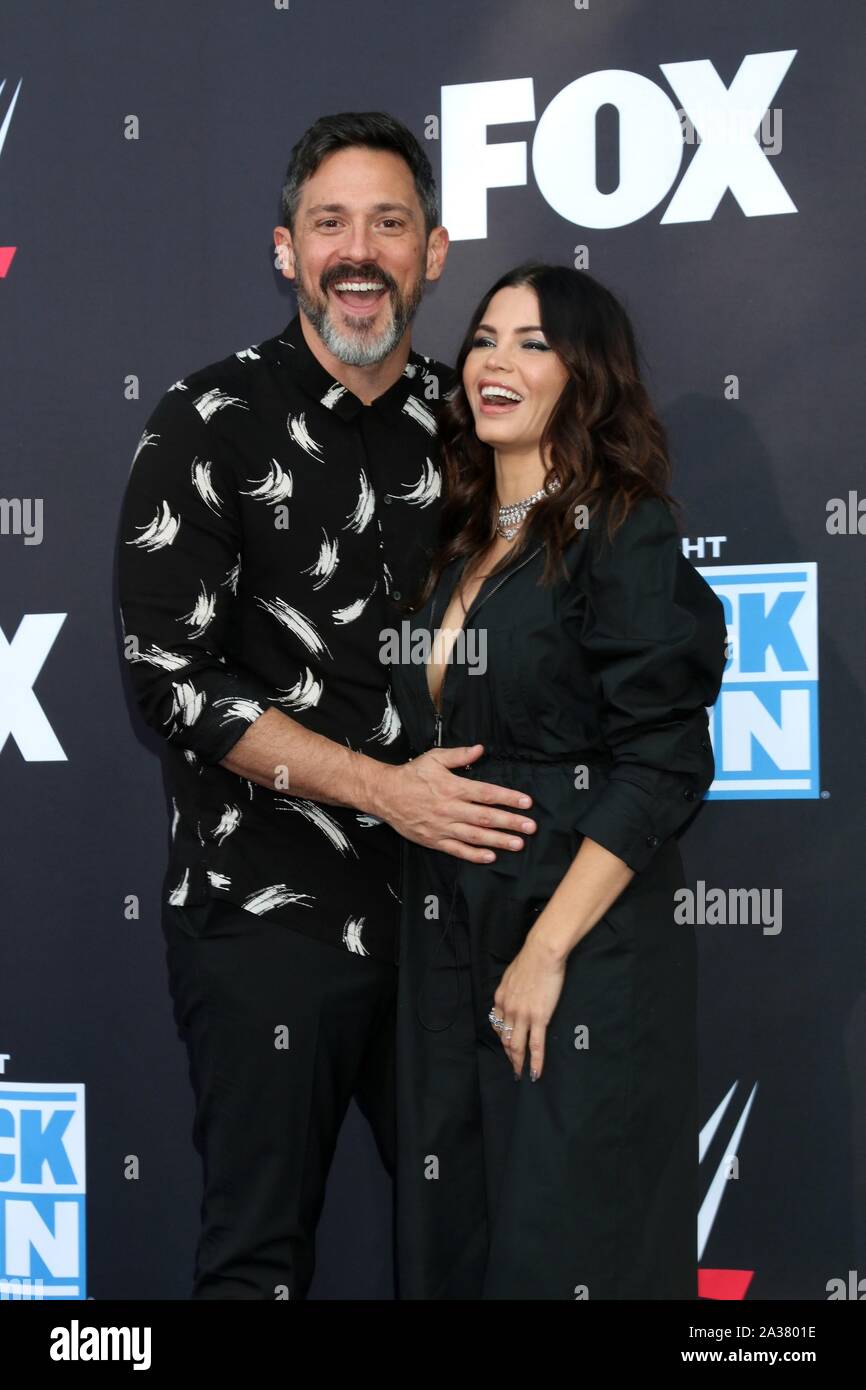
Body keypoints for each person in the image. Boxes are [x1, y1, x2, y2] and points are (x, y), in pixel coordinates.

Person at [116, 112, 538, 1300]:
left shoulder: (479, 431)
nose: (360, 251)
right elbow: (170, 680)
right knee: (256, 1260)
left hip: (453, 926)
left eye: (389, 223)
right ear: (284, 249)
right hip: (267, 922)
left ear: (436, 251)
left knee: (479, 1254)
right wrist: (381, 791)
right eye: (330, 223)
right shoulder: (204, 425)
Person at [388, 262, 729, 1300]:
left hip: (575, 954)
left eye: (531, 342)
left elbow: (665, 760)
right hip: (449, 948)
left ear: (583, 376)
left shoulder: (624, 528)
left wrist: (543, 951)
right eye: (483, 337)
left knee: (567, 1253)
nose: (494, 360)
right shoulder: (451, 543)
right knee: (453, 1248)